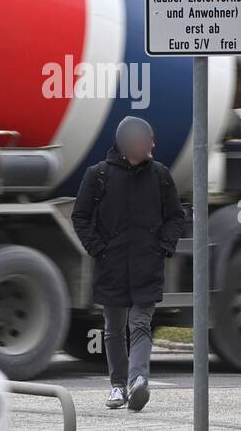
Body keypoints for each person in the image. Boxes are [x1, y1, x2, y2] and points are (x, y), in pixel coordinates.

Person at [71, 116, 185, 412]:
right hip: (111, 267)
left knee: (140, 324)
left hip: (147, 266)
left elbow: (175, 216)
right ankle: (118, 386)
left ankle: (138, 382)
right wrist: (98, 249)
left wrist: (163, 247)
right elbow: (80, 217)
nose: (153, 144)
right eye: (148, 139)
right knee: (114, 328)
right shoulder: (97, 175)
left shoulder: (160, 175)